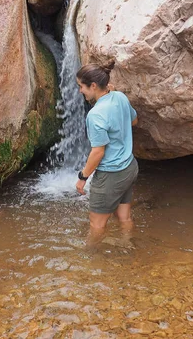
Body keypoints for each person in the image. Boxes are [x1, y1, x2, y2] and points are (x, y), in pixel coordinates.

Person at [75, 61, 139, 247]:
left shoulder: (95, 115)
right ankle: (127, 245)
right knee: (124, 217)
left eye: (81, 86)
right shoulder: (120, 97)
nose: (80, 91)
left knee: (97, 225)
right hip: (129, 167)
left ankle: (89, 259)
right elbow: (134, 121)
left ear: (93, 86)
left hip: (111, 174)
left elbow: (98, 152)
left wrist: (83, 176)